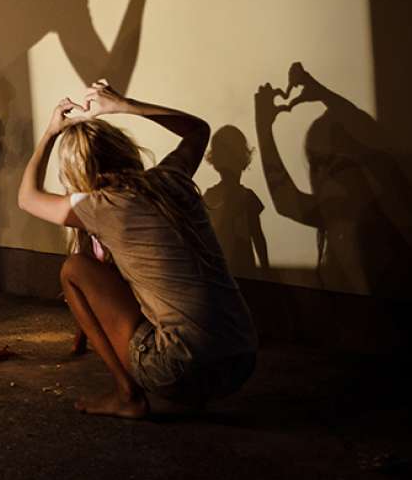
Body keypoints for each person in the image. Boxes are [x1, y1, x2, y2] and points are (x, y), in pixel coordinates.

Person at [17, 80, 256, 418]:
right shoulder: (172, 178)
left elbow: (27, 198)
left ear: (77, 172)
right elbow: (198, 129)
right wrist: (123, 105)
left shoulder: (102, 204)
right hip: (243, 357)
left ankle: (127, 395)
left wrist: (51, 133)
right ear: (124, 148)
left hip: (177, 368)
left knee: (75, 268)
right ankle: (189, 383)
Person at [203, 125, 270, 272]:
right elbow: (258, 237)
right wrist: (266, 270)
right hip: (237, 269)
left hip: (227, 270)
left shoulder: (210, 196)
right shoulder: (246, 197)